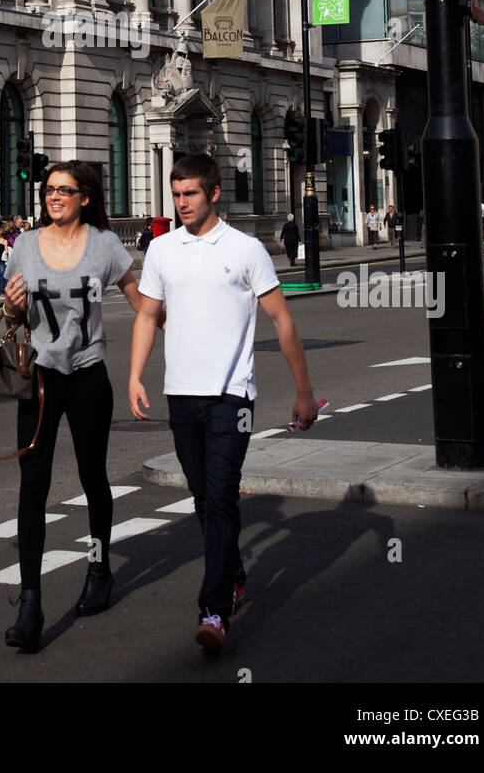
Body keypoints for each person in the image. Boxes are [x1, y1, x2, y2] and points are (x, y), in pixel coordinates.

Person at [129, 153, 319, 656]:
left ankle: (213, 609)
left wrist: (302, 391)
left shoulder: (247, 249)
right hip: (180, 392)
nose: (181, 203)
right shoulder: (161, 250)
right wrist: (133, 377)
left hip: (231, 395)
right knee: (202, 499)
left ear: (214, 193)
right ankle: (233, 574)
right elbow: (147, 317)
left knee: (221, 496)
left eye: (190, 194)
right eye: (175, 194)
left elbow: (281, 321)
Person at [0, 160, 142, 653]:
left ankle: (99, 568)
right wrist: (12, 309)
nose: (53, 197)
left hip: (87, 375)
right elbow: (12, 314)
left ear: (85, 197)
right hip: (38, 377)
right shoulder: (23, 246)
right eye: (48, 190)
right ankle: (30, 604)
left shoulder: (104, 244)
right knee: (32, 487)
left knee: (92, 478)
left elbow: (141, 302)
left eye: (64, 190)